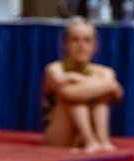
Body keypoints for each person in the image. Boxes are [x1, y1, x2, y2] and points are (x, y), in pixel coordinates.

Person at [41, 17, 123, 151]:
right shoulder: (54, 69)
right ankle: (90, 140)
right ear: (65, 44)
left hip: (82, 136)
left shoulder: (104, 72)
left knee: (99, 97)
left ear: (95, 45)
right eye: (75, 40)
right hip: (60, 135)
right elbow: (70, 94)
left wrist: (75, 78)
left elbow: (118, 94)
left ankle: (102, 141)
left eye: (87, 40)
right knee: (73, 97)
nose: (81, 46)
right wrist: (107, 86)